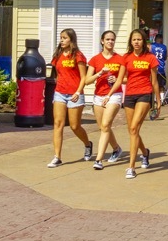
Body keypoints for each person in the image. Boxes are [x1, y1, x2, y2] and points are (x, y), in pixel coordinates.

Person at [109, 30, 160, 179]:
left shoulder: (150, 58)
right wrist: (109, 94)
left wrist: (158, 100)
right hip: (130, 95)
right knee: (133, 131)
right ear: (130, 42)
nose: (136, 42)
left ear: (143, 41)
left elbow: (155, 81)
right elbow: (120, 79)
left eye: (139, 39)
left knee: (133, 128)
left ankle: (131, 167)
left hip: (145, 94)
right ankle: (145, 153)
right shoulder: (126, 57)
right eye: (134, 40)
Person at [45, 28, 91, 168]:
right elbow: (58, 74)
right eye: (61, 37)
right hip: (60, 93)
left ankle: (87, 144)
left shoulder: (78, 56)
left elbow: (84, 77)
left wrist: (78, 91)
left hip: (75, 94)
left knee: (74, 126)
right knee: (58, 124)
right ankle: (57, 156)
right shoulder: (58, 55)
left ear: (71, 39)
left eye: (64, 38)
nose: (62, 40)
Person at [86, 30, 125, 170]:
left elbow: (126, 78)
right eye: (107, 39)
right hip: (98, 95)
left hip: (114, 95)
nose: (110, 42)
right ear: (102, 41)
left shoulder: (120, 59)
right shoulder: (95, 59)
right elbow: (86, 80)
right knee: (103, 127)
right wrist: (99, 73)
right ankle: (116, 148)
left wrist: (116, 80)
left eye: (112, 39)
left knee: (106, 124)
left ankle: (99, 160)